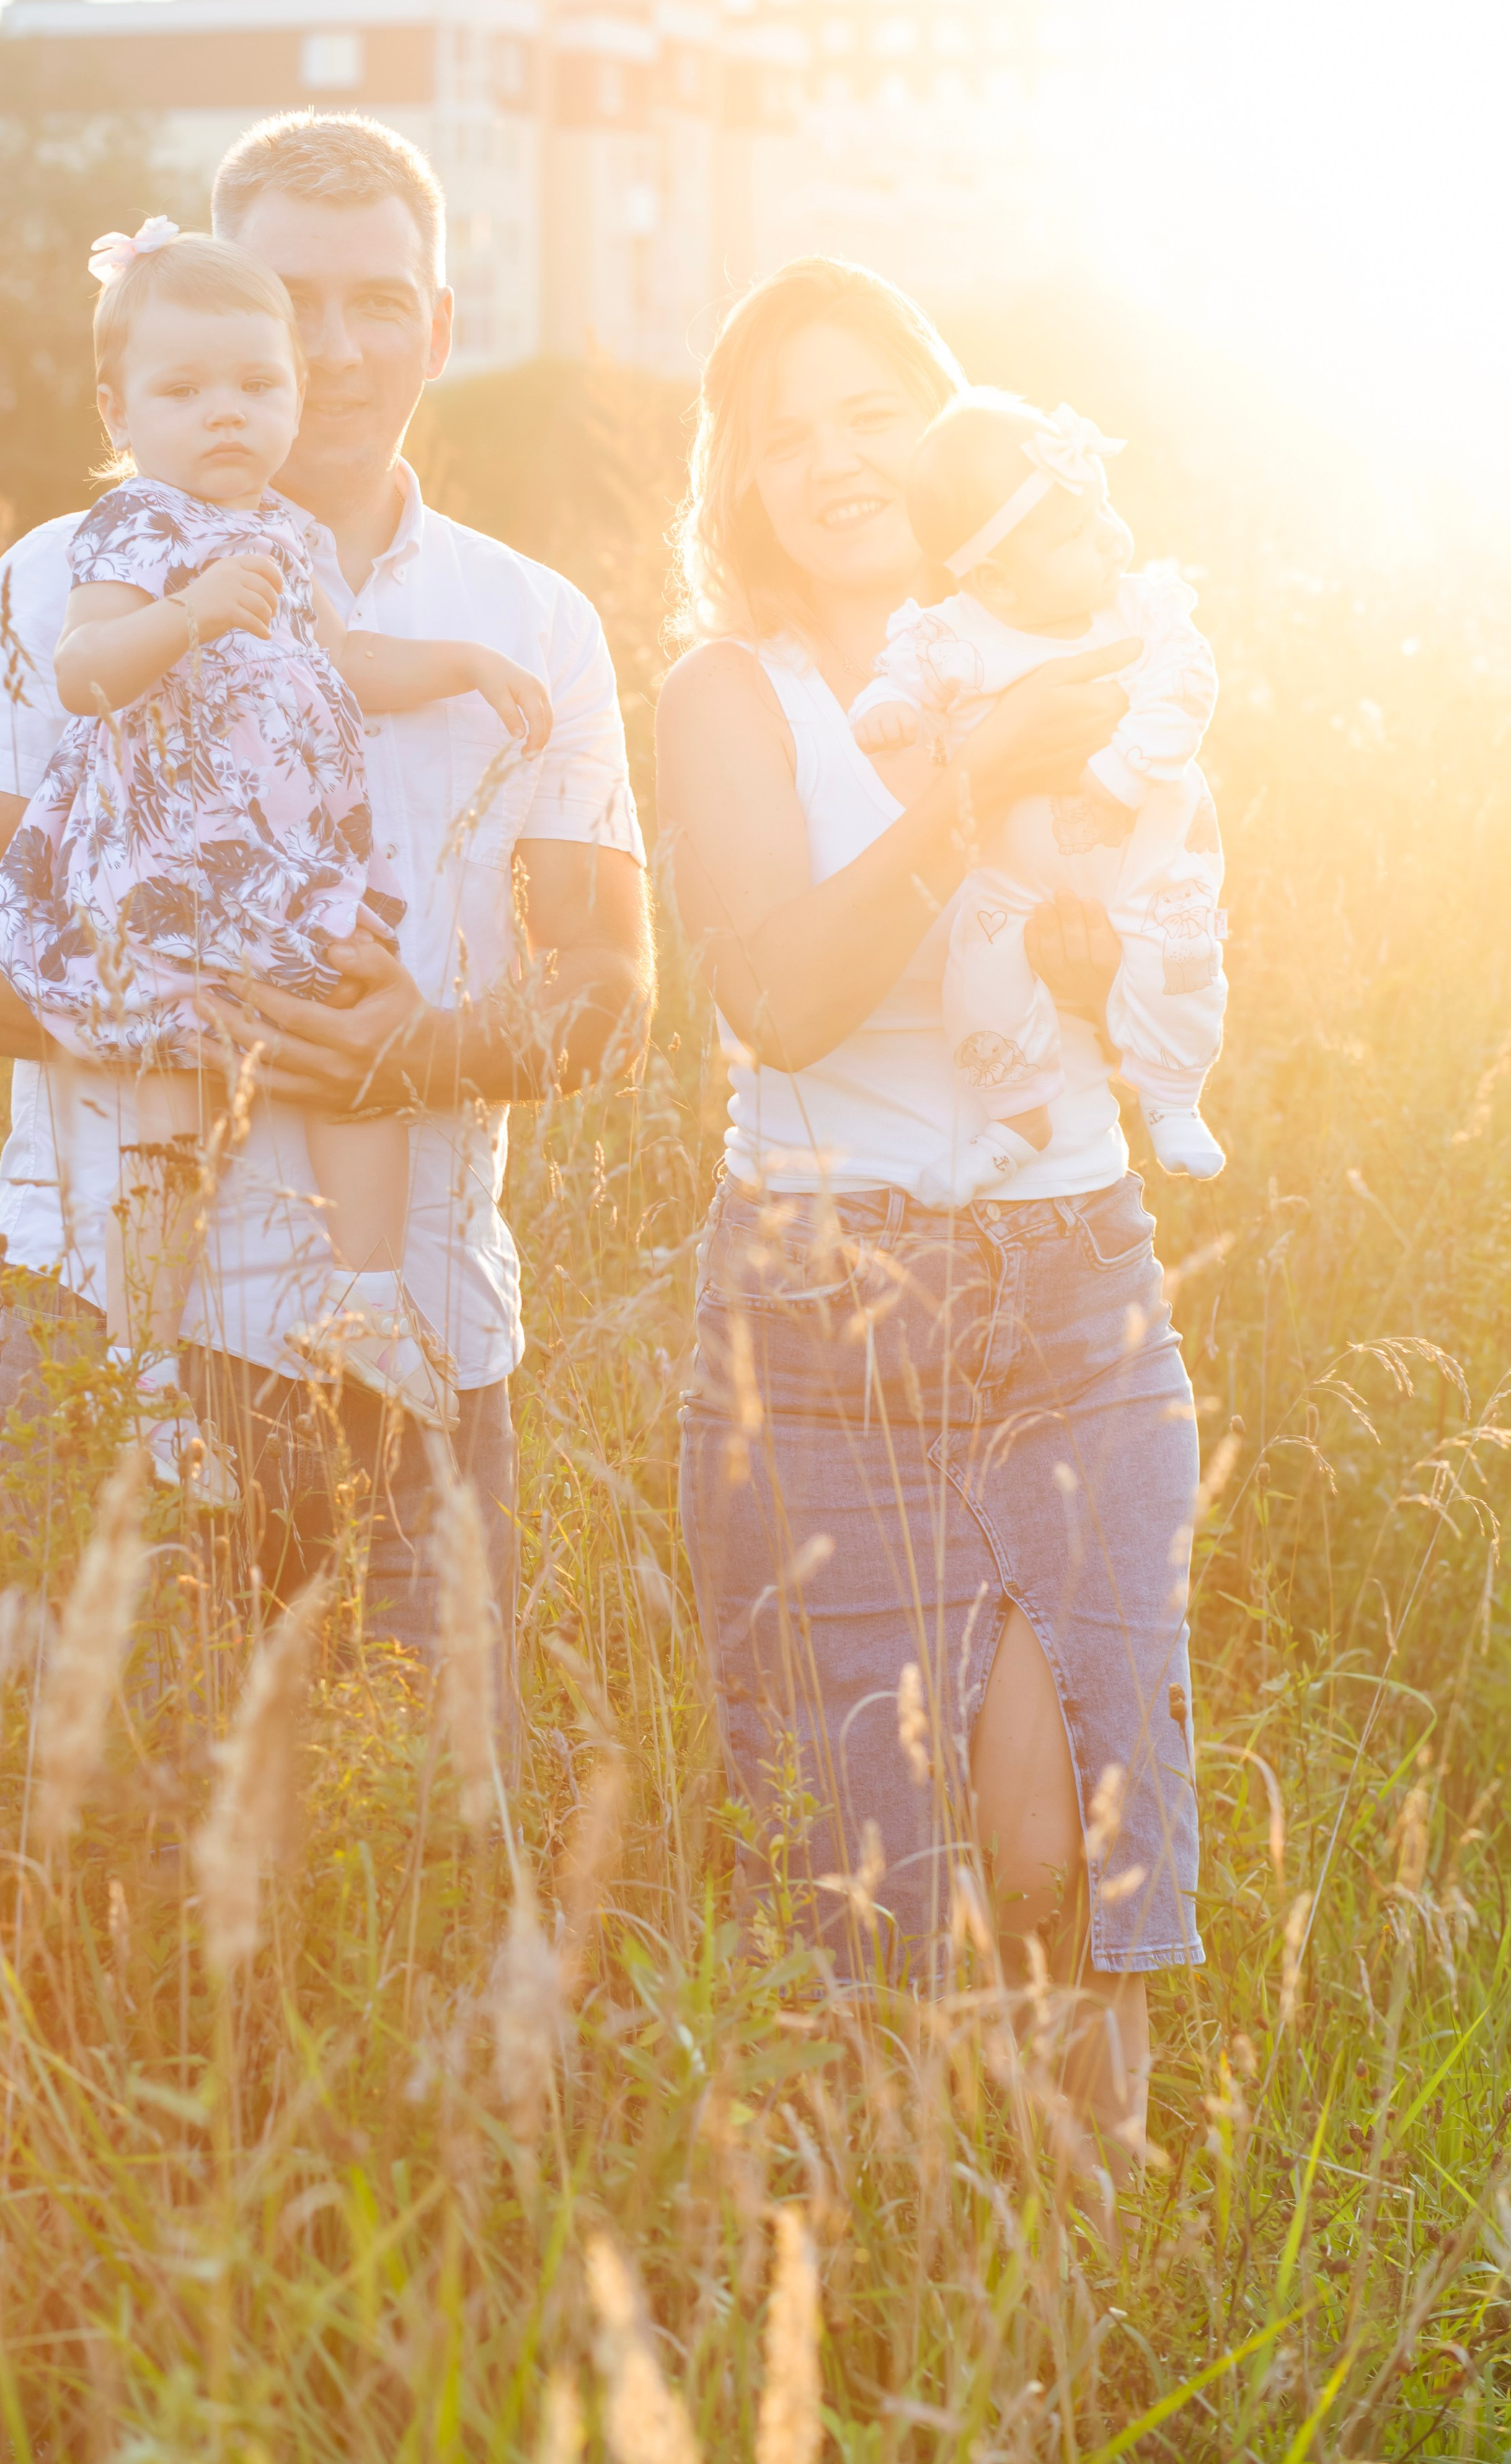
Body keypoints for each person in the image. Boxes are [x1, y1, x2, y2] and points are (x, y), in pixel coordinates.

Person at [0, 114, 651, 1718]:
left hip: (421, 1354)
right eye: (292, 301)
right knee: (119, 1875)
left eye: (381, 303)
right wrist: (214, 1026)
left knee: (424, 1876)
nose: (334, 347)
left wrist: (420, 1052)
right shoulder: (56, 581)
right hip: (110, 1333)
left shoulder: (532, 622)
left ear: (438, 328)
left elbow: (609, 988)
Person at [655, 257, 1205, 2199]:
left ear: (950, 422)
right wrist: (972, 795)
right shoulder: (731, 695)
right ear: (736, 479)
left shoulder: (1084, 642)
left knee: (1076, 1839)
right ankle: (904, 2283)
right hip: (822, 1305)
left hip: (1075, 1280)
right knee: (868, 1872)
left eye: (871, 411)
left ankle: (1102, 2281)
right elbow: (779, 998)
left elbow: (1164, 904)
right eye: (782, 432)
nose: (833, 460)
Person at [0, 216, 551, 1464]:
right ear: (119, 411)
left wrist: (461, 661)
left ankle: (368, 1306)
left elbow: (346, 663)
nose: (226, 414)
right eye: (185, 391)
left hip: (290, 871)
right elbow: (86, 672)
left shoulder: (290, 540)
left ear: (296, 397)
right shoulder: (134, 528)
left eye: (256, 385)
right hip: (172, 867)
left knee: (363, 1076)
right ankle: (142, 1360)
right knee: (177, 1114)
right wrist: (186, 615)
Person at [848, 389, 1228, 1204]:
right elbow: (904, 675)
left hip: (1150, 859)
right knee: (977, 980)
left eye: (1101, 513)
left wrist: (1124, 767)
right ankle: (1017, 1118)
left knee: (1179, 967)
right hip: (1012, 876)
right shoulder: (960, 634)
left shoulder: (1137, 609)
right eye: (1072, 536)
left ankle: (1170, 1094)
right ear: (996, 581)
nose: (1109, 540)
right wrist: (887, 706)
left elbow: (1187, 683)